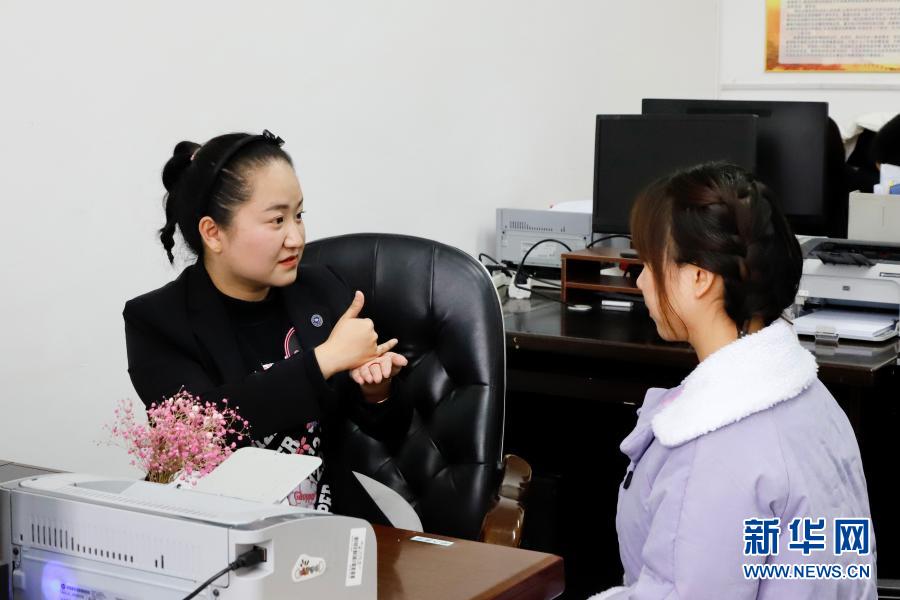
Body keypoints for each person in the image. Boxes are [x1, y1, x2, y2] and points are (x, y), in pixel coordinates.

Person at [590, 163, 876, 599]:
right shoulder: (815, 399)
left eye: (648, 263)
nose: (641, 280)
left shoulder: (711, 451)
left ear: (699, 277)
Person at [123, 130, 411, 522]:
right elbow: (201, 433)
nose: (296, 237)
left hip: (331, 523)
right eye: (277, 220)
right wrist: (324, 360)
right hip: (221, 528)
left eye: (299, 216)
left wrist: (377, 391)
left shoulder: (322, 289)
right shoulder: (157, 321)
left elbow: (392, 430)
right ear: (213, 233)